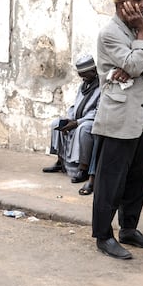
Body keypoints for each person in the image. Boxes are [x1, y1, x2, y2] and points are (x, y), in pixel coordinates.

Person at [91, 0, 143, 259]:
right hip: (119, 116)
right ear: (123, 4)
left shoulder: (135, 33)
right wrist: (140, 46)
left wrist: (137, 66)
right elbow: (137, 63)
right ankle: (103, 235)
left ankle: (129, 229)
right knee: (111, 179)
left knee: (137, 176)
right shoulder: (110, 33)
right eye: (137, 0)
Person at [42, 54, 100, 191]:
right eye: (81, 75)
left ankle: (83, 169)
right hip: (78, 118)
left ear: (93, 71)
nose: (83, 78)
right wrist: (70, 118)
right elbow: (75, 105)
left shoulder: (102, 87)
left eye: (85, 75)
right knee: (57, 123)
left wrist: (77, 122)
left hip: (91, 121)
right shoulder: (83, 85)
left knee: (83, 129)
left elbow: (98, 112)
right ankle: (60, 162)